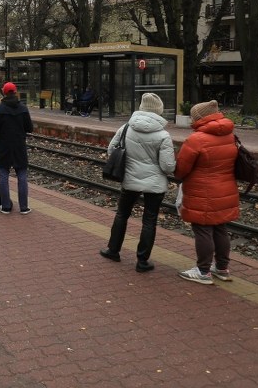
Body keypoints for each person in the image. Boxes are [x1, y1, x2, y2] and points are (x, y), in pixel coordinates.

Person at [99, 93, 177, 272]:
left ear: (141, 107)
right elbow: (167, 167)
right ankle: (142, 261)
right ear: (159, 111)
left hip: (130, 180)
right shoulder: (164, 135)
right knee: (149, 221)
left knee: (122, 214)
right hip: (155, 184)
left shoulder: (126, 127)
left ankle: (113, 250)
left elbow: (112, 149)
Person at [174, 100, 240, 285]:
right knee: (220, 228)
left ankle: (203, 271)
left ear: (200, 118)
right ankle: (222, 268)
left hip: (202, 192)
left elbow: (181, 169)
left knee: (203, 229)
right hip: (226, 189)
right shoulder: (230, 135)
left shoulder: (197, 139)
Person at [0, 82, 34, 214]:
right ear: (15, 92)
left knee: (3, 175)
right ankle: (24, 207)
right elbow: (29, 128)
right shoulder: (23, 108)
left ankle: (6, 206)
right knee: (22, 176)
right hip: (19, 146)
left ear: (4, 92)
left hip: (3, 146)